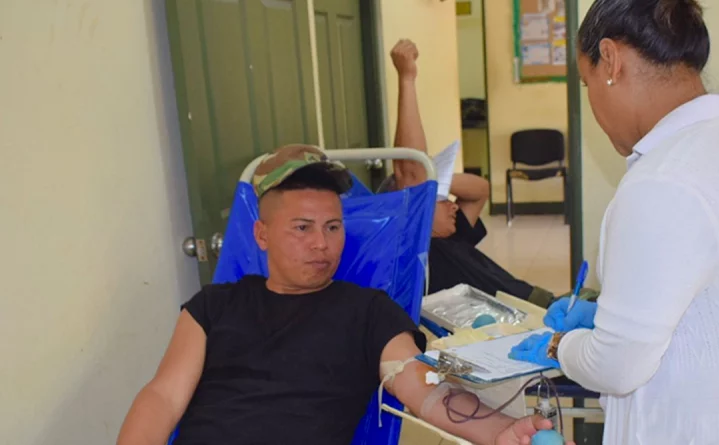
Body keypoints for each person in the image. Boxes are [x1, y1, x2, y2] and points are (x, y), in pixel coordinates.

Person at [116, 144, 567, 445]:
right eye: (302, 228)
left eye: (333, 227)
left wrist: (505, 431)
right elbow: (163, 398)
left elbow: (426, 391)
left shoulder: (368, 312)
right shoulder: (212, 307)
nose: (322, 243)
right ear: (261, 234)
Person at [508, 1, 719, 444]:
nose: (592, 106)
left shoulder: (663, 181)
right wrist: (609, 317)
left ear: (611, 60)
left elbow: (617, 367)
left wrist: (559, 348)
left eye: (586, 84)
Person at [388, 39, 555, 307]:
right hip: (530, 316)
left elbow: (479, 190)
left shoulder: (452, 235)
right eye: (443, 199)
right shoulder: (417, 249)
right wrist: (407, 78)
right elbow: (410, 169)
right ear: (414, 208)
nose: (454, 206)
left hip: (542, 301)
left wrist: (437, 182)